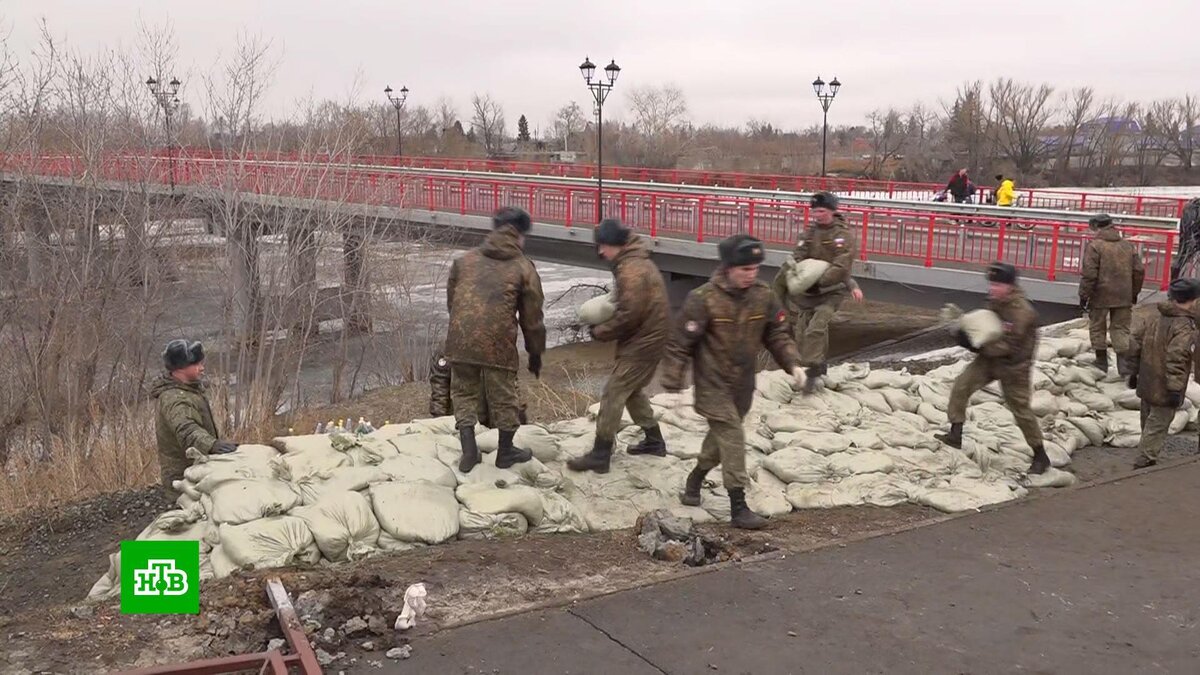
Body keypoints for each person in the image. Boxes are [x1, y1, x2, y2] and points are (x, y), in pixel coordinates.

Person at [662, 234, 806, 529]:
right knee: (733, 437)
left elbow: (777, 334)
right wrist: (673, 382)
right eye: (744, 270)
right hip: (712, 385)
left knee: (721, 442)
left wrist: (792, 363)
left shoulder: (763, 296)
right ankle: (738, 507)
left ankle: (695, 479)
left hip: (742, 387)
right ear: (728, 267)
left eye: (755, 269)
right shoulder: (703, 299)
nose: (750, 275)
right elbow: (680, 343)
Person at [445, 206, 545, 473]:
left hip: (459, 341)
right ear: (521, 235)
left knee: (463, 393)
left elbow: (453, 302)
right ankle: (506, 452)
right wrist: (535, 353)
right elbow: (532, 319)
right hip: (497, 344)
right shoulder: (523, 267)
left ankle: (469, 452)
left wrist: (465, 331)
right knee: (505, 396)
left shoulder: (463, 260)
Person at [569, 219, 671, 473]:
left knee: (613, 392)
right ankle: (654, 441)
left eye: (603, 246)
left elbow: (630, 314)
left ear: (617, 244)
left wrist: (600, 331)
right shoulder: (634, 262)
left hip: (643, 343)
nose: (600, 252)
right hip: (648, 338)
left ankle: (600, 454)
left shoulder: (632, 270)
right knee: (632, 391)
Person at [936, 262, 1050, 475]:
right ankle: (955, 434)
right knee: (962, 385)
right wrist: (965, 331)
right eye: (992, 284)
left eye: (998, 285)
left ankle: (1040, 455)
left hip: (1014, 366)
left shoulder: (1022, 312)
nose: (993, 289)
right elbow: (988, 327)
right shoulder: (997, 302)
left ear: (1010, 286)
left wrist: (973, 344)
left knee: (1021, 410)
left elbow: (1009, 345)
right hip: (990, 360)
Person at [772, 191, 862, 394]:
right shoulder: (810, 233)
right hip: (808, 291)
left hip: (831, 290)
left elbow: (842, 265)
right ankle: (818, 366)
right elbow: (799, 254)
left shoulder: (842, 235)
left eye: (821, 211)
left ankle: (812, 373)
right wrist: (797, 275)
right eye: (814, 211)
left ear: (831, 211)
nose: (817, 215)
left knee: (817, 327)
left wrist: (821, 282)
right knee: (803, 332)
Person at [1125, 278, 1200, 469]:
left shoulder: (1154, 316)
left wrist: (1133, 372)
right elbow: (1178, 357)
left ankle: (1145, 454)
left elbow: (1135, 344)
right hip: (1165, 385)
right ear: (1192, 299)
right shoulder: (1184, 326)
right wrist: (1175, 389)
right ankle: (1144, 462)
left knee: (1147, 421)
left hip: (1147, 379)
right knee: (1157, 425)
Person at [152, 339, 237, 493]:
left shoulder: (188, 390)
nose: (202, 368)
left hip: (197, 471)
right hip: (185, 479)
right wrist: (211, 445)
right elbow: (186, 430)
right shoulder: (175, 398)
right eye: (196, 364)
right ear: (181, 368)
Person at [1079, 213, 1146, 374]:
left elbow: (1089, 274)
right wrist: (1134, 292)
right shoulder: (1128, 246)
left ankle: (1101, 362)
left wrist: (1084, 295)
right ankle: (1123, 366)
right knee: (1121, 329)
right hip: (1124, 295)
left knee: (1097, 327)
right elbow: (1139, 271)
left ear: (1096, 227)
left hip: (1100, 295)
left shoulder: (1095, 246)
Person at [428, 343, 528, 425]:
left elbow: (511, 386)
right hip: (461, 421)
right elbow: (440, 390)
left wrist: (518, 414)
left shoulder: (501, 347)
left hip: (495, 421)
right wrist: (440, 422)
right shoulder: (447, 348)